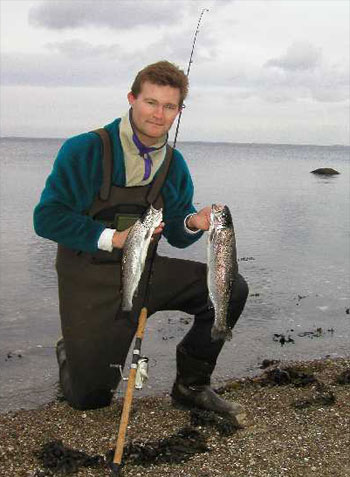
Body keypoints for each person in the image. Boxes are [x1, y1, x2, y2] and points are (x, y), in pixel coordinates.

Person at [33, 60, 249, 426]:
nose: (158, 114)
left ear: (179, 111)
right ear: (132, 99)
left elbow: (179, 237)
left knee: (233, 290)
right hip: (88, 276)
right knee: (90, 400)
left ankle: (192, 385)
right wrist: (112, 238)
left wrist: (194, 221)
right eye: (151, 102)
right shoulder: (83, 150)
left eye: (169, 106)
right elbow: (47, 217)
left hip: (146, 273)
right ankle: (70, 351)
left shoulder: (175, 164)